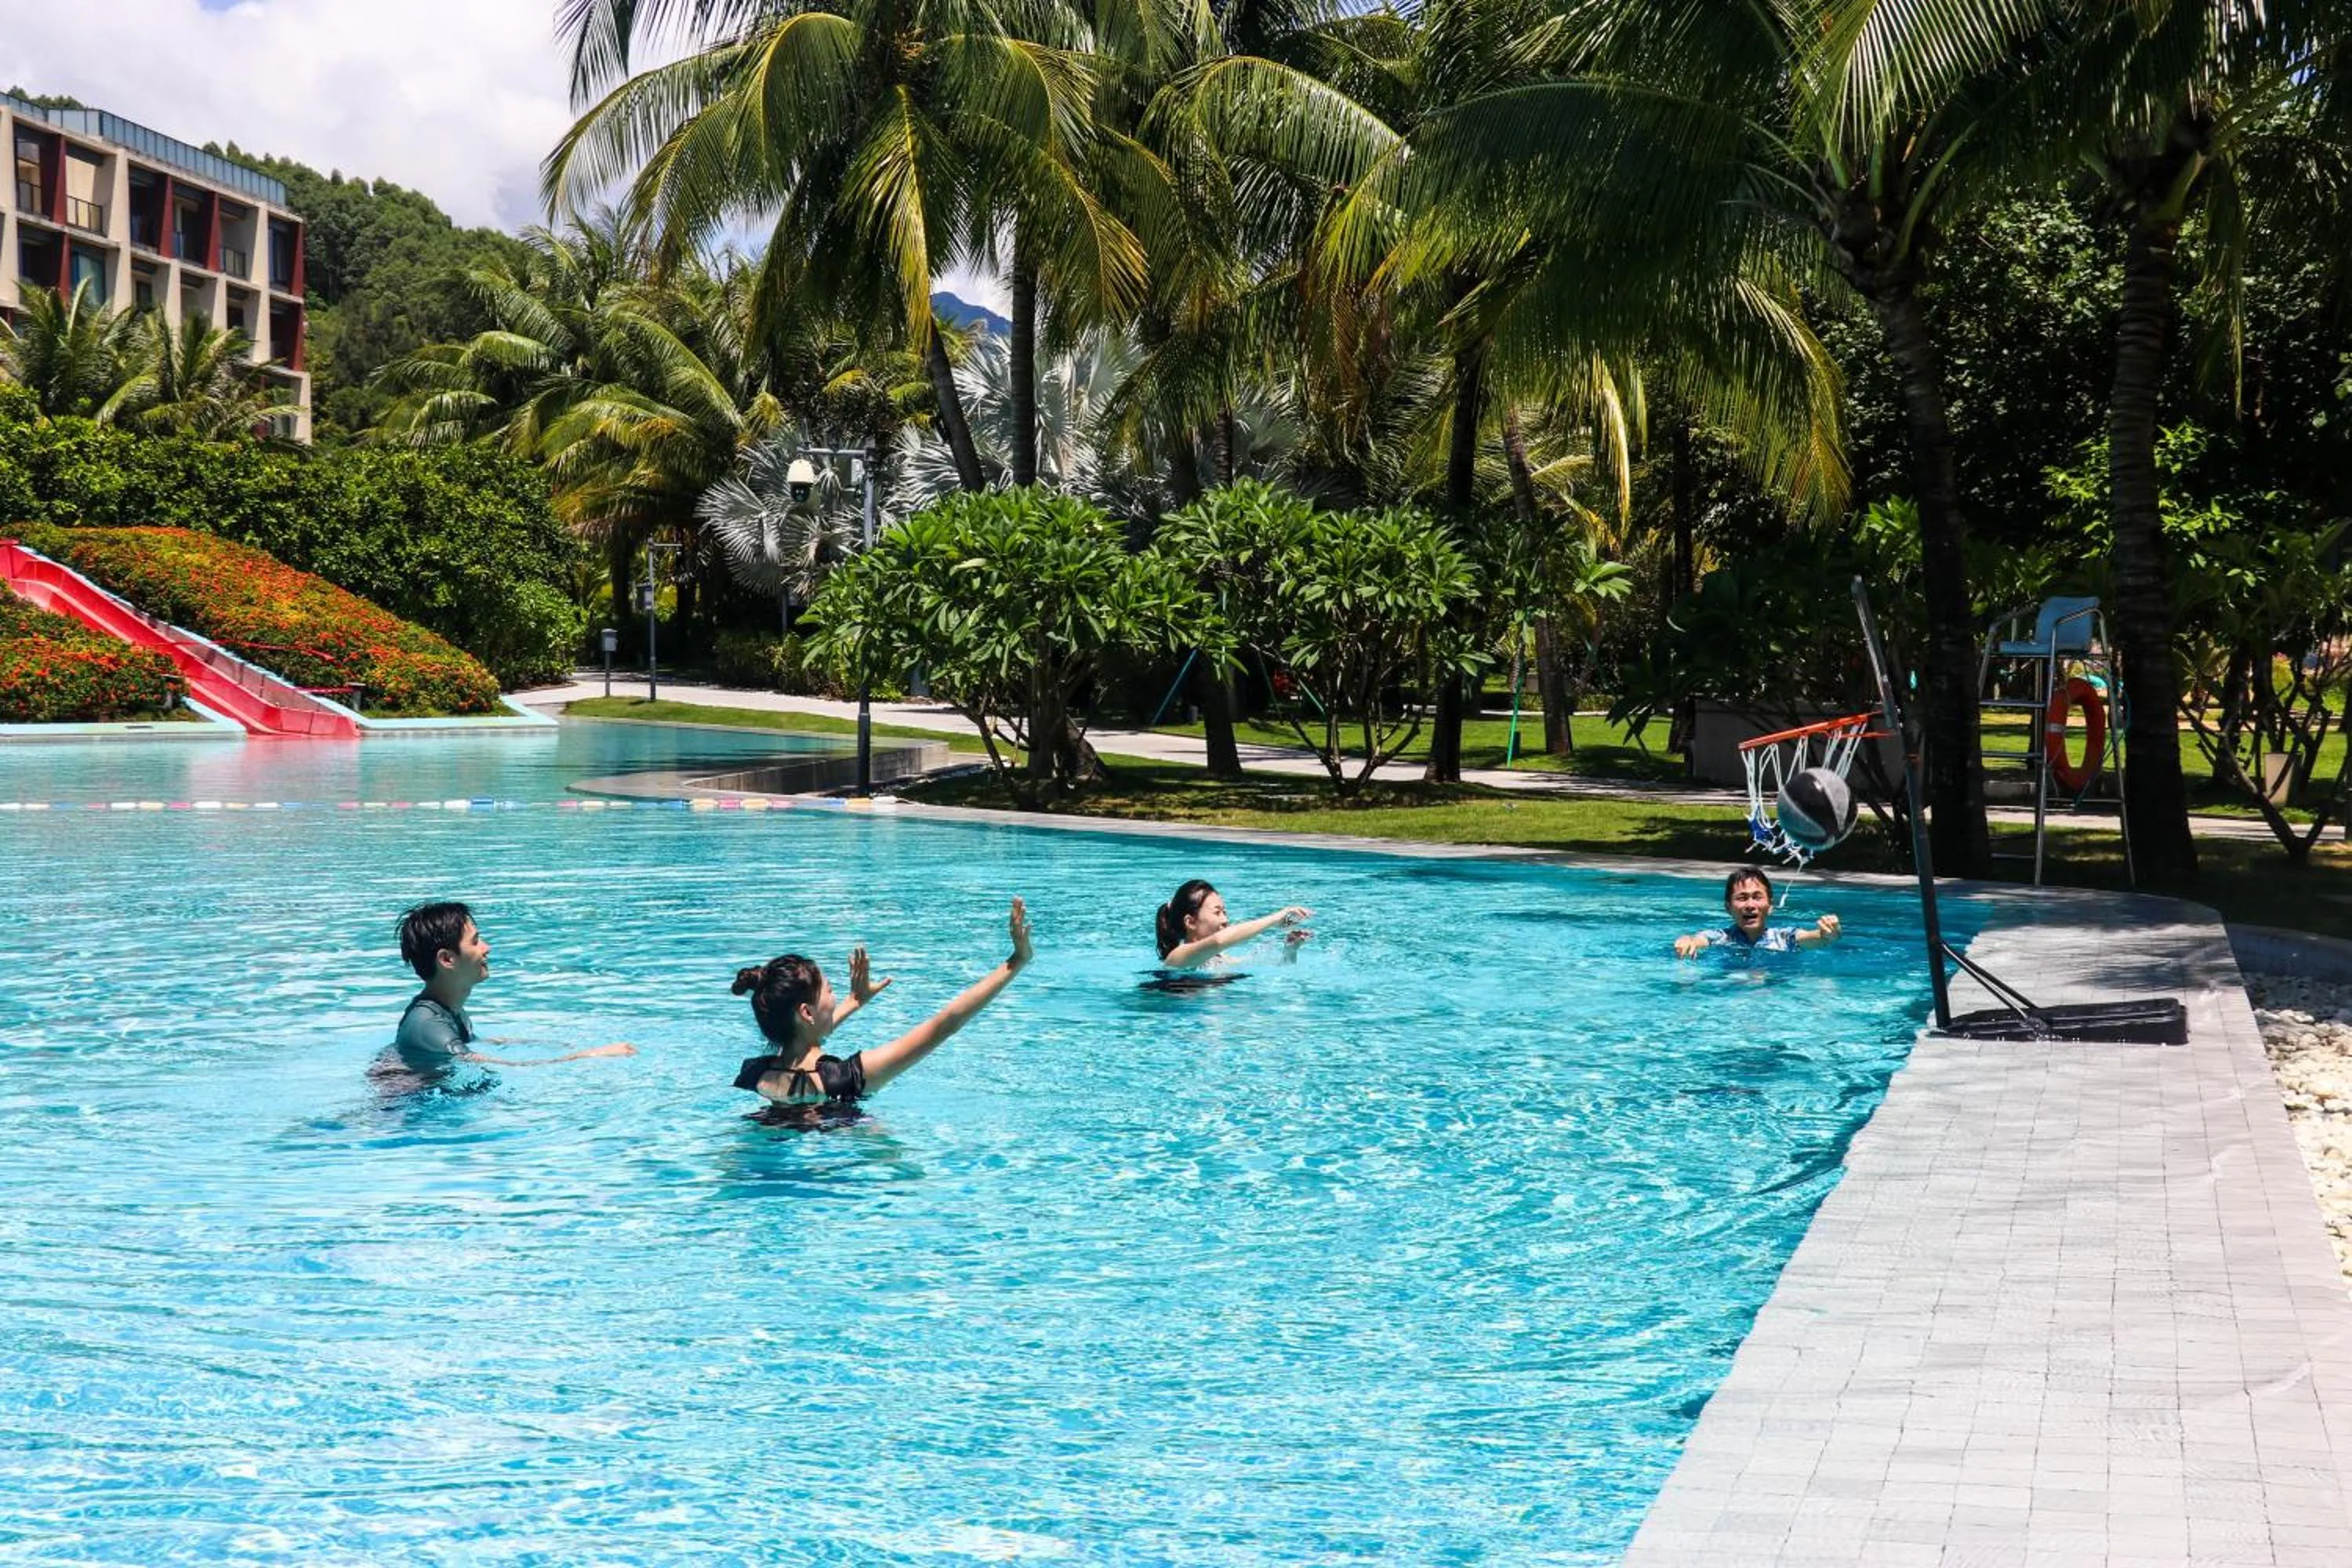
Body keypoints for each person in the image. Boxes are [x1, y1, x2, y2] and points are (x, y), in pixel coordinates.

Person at [732, 897, 1033, 1123]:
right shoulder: (851, 1077)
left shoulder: (754, 1074)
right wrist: (1016, 961)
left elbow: (801, 1040)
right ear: (807, 1013)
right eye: (830, 991)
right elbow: (945, 1024)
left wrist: (854, 1001)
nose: (835, 997)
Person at [381, 901, 636, 1078]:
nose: (487, 947)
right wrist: (590, 1055)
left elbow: (472, 1046)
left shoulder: (449, 1011)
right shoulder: (428, 1024)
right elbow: (506, 1066)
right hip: (401, 1112)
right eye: (476, 941)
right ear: (447, 959)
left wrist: (547, 1044)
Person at [1675, 868, 1841, 958]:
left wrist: (1828, 934)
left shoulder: (1785, 938)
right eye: (1742, 898)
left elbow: (1813, 939)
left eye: (1757, 897)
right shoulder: (1722, 938)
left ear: (1770, 906)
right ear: (1728, 908)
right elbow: (1698, 940)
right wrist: (1687, 941)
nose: (1750, 905)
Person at [1153, 879, 1313, 970]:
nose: (1225, 920)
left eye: (1225, 912)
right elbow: (1220, 940)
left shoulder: (1220, 959)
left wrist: (1291, 951)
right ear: (1190, 922)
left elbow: (1281, 971)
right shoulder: (1178, 956)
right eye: (1217, 913)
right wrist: (1275, 919)